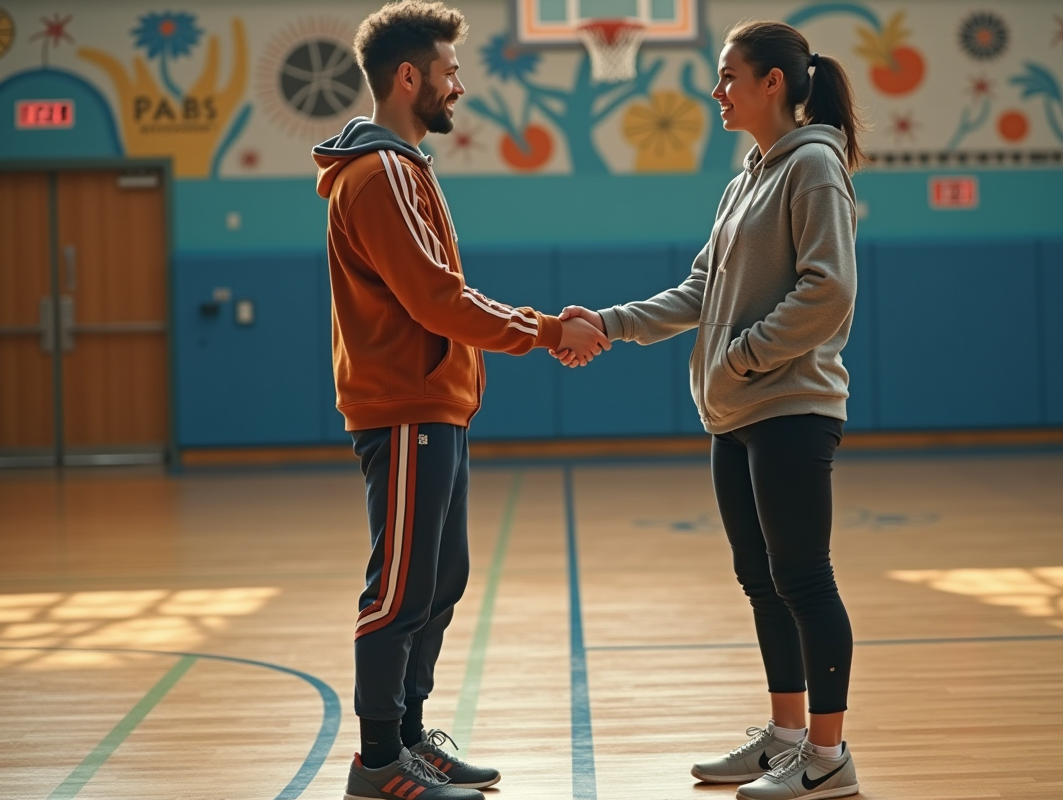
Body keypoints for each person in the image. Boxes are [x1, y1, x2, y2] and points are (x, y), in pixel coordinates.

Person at [555, 19, 864, 800]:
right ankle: (786, 739)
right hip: (736, 414)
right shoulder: (744, 180)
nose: (717, 90)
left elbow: (829, 289)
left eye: (729, 75)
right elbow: (701, 289)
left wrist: (745, 353)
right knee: (761, 579)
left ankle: (829, 758)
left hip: (789, 405)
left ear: (772, 82)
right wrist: (610, 324)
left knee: (804, 578)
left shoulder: (814, 166)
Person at [313, 3, 610, 799]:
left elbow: (438, 298)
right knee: (400, 589)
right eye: (450, 72)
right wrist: (550, 331)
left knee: (440, 581)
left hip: (435, 408)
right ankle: (379, 761)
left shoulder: (403, 167)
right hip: (406, 409)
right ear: (408, 77)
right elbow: (439, 301)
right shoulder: (381, 175)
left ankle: (410, 740)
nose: (460, 86)